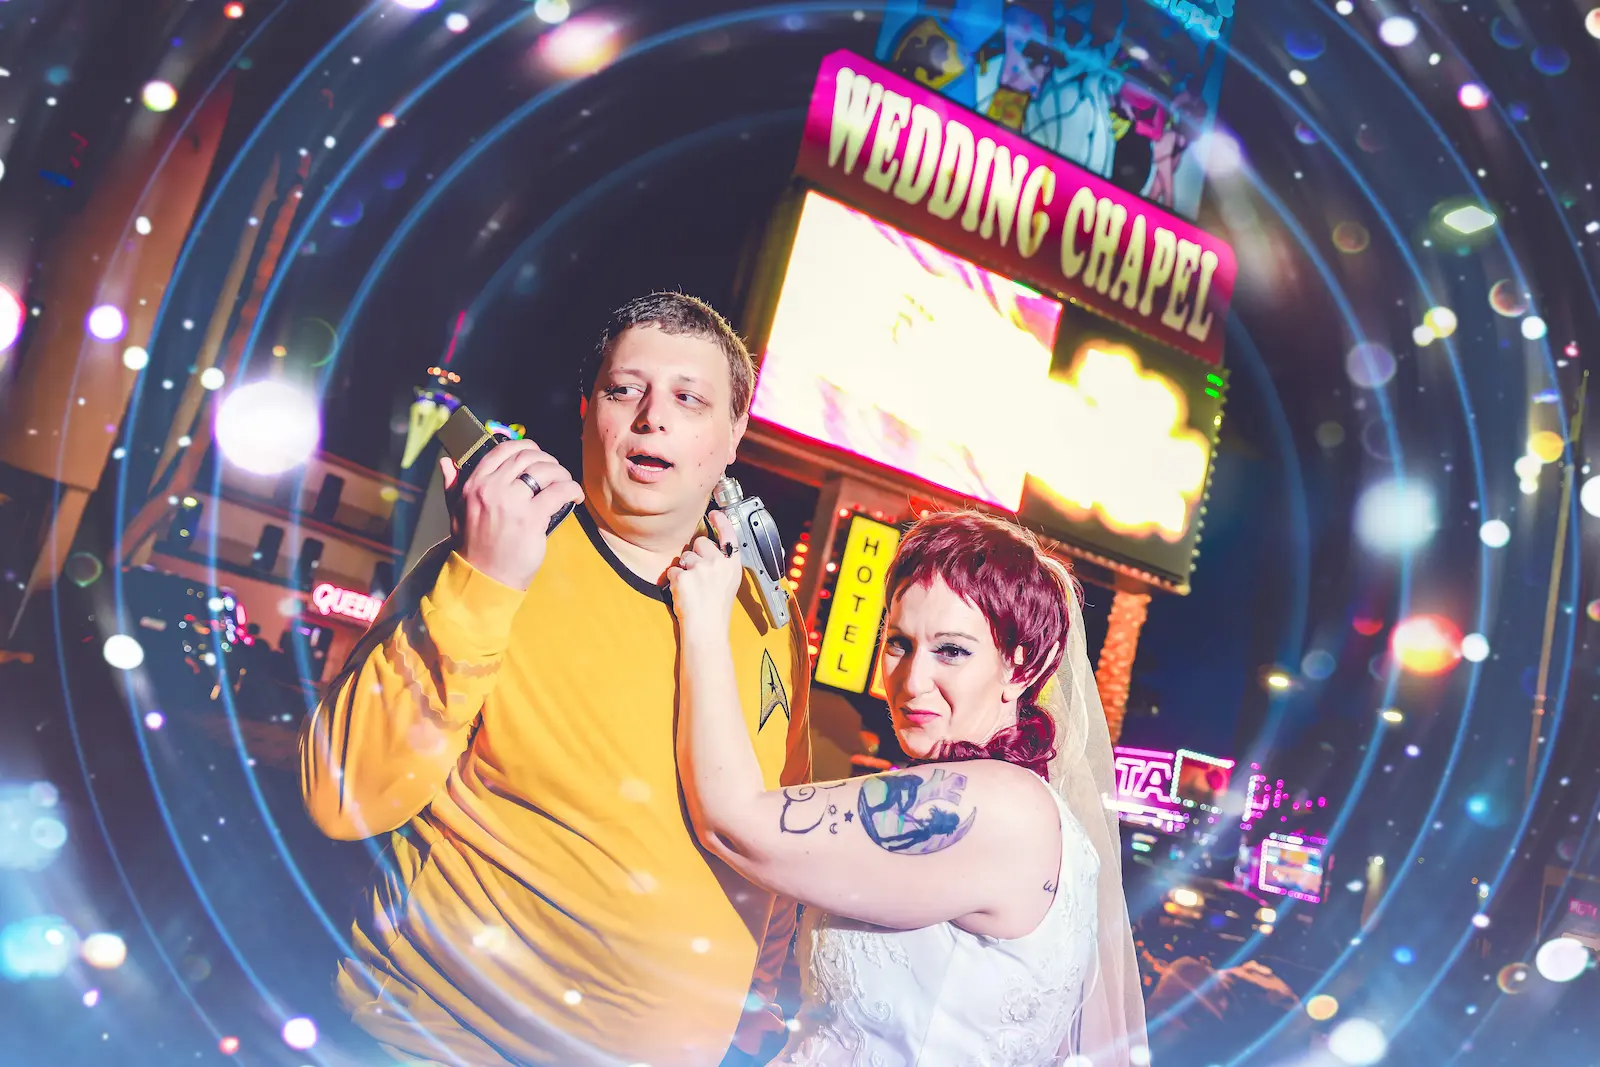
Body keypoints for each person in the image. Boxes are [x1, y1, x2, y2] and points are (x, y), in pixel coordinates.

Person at [299, 293, 812, 1066]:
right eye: (623, 389)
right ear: (585, 411)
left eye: (689, 398)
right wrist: (480, 581)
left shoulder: (769, 612)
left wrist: (758, 1001)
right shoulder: (502, 553)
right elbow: (343, 797)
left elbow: (780, 825)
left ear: (735, 433)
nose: (651, 418)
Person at [668, 509, 1148, 1065]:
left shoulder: (997, 804)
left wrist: (705, 614)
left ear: (1020, 667)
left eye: (952, 650)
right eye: (899, 643)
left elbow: (734, 823)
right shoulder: (1026, 809)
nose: (913, 680)